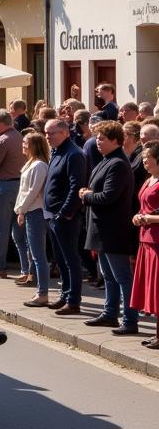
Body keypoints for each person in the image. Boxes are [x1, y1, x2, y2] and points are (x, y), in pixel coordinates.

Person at [80, 121, 138, 335]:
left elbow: (109, 196)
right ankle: (110, 313)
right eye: (97, 138)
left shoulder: (118, 164)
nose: (97, 142)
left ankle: (130, 319)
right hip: (102, 229)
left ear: (115, 140)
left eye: (102, 138)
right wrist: (89, 193)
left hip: (114, 230)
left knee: (122, 276)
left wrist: (87, 196)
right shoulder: (107, 160)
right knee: (109, 275)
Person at [0, 109, 24, 277]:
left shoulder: (2, 140)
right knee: (19, 230)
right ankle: (26, 268)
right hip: (20, 185)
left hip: (4, 186)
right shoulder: (19, 136)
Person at [15, 132, 51, 307]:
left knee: (38, 255)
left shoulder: (39, 165)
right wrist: (20, 209)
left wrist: (21, 209)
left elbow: (33, 191)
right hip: (29, 211)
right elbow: (23, 189)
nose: (22, 145)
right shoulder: (30, 163)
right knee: (34, 253)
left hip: (36, 212)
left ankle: (43, 293)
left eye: (25, 143)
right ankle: (39, 289)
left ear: (34, 145)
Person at [130, 141, 159, 350]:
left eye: (147, 157)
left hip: (157, 240)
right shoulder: (150, 179)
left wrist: (148, 219)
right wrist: (139, 217)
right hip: (145, 239)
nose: (144, 160)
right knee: (151, 289)